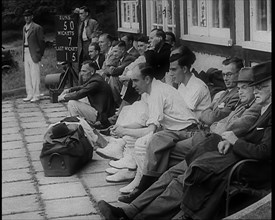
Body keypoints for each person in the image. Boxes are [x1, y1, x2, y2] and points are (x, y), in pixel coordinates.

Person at [97, 61, 270, 220]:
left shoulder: (258, 108)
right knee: (171, 172)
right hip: (215, 146)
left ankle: (137, 215)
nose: (253, 92)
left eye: (257, 87)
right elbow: (216, 122)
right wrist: (228, 137)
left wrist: (232, 139)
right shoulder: (252, 105)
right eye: (252, 88)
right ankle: (131, 210)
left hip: (231, 159)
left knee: (181, 177)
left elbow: (253, 144)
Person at [117, 56, 243, 204]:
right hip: (194, 132)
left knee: (157, 143)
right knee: (157, 141)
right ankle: (144, 188)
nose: (226, 78)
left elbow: (209, 118)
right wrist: (208, 115)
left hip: (200, 134)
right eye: (224, 74)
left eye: (230, 74)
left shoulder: (237, 95)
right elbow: (206, 115)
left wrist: (208, 115)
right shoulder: (222, 94)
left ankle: (144, 188)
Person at [57, 61, 115, 128]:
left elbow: (79, 94)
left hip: (102, 116)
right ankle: (75, 121)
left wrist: (63, 97)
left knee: (72, 103)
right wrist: (69, 90)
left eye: (84, 71)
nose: (81, 74)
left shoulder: (96, 82)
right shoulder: (96, 78)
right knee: (79, 100)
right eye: (81, 71)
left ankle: (77, 126)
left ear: (92, 72)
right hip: (101, 111)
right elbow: (83, 87)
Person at [170, 46, 211, 119]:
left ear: (184, 69)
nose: (171, 73)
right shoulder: (182, 84)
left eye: (174, 70)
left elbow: (183, 114)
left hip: (197, 126)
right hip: (184, 124)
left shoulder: (197, 86)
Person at [22, 9, 45, 103]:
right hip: (26, 51)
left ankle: (36, 94)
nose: (27, 18)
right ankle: (29, 94)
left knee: (34, 74)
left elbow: (42, 42)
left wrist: (40, 53)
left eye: (28, 16)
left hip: (34, 52)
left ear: (32, 16)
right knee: (27, 74)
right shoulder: (24, 27)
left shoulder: (37, 27)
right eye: (25, 16)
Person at [108, 41, 136, 107]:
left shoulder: (129, 58)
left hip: (130, 85)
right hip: (123, 84)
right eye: (112, 52)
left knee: (113, 79)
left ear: (123, 50)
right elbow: (105, 68)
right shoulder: (118, 59)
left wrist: (111, 69)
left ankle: (119, 104)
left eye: (115, 51)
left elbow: (114, 72)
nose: (113, 54)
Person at [77, 6, 100, 71]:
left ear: (86, 13)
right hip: (82, 44)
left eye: (82, 13)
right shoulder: (81, 23)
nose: (80, 15)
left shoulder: (93, 22)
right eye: (79, 14)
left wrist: (92, 38)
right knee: (82, 60)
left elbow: (96, 32)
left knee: (90, 59)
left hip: (89, 42)